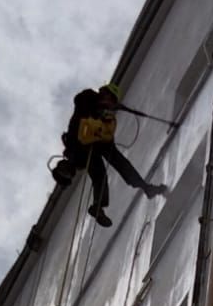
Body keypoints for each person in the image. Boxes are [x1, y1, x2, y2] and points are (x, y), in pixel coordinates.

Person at [52, 82, 167, 227]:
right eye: (110, 99)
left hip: (97, 143)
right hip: (79, 143)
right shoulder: (88, 97)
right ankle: (94, 201)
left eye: (112, 102)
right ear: (105, 93)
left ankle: (144, 187)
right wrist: (98, 109)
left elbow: (108, 138)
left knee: (120, 163)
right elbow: (79, 101)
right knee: (98, 174)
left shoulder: (107, 117)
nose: (110, 104)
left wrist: (105, 117)